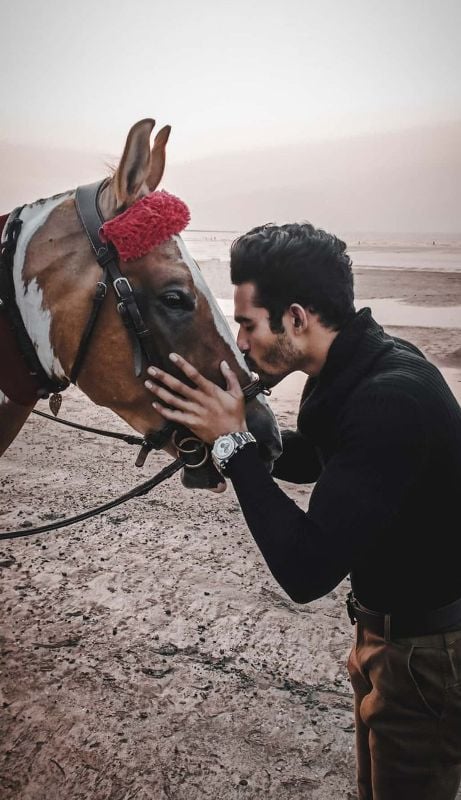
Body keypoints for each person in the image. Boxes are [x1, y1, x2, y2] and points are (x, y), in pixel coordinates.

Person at [143, 222, 461, 800]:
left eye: (245, 323)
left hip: (426, 660)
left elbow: (307, 570)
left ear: (295, 318)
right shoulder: (355, 366)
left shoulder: (390, 399)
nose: (239, 342)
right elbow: (319, 457)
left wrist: (236, 448)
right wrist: (221, 437)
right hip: (390, 638)